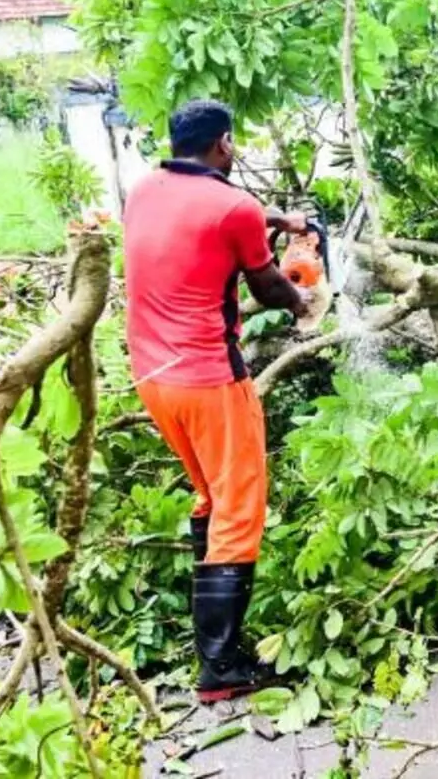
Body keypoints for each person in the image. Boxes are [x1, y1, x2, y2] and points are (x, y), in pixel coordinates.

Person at [122, 99, 312, 704]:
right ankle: (220, 669)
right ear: (225, 143)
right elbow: (264, 283)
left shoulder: (144, 190)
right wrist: (304, 303)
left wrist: (275, 221)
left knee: (209, 496)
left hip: (153, 377)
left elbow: (208, 224)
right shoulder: (235, 206)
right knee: (239, 509)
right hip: (208, 377)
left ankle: (214, 650)